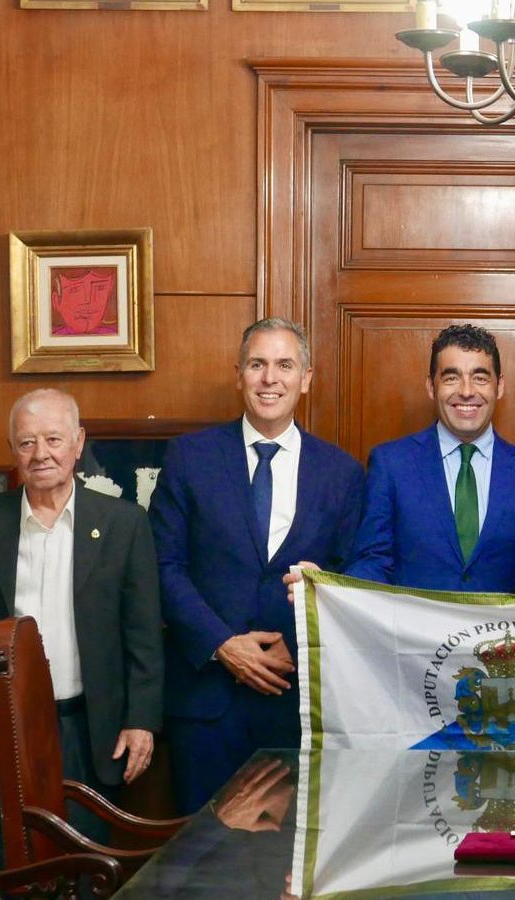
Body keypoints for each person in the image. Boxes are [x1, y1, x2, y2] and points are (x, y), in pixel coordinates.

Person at [0, 388, 162, 867]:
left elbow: (142, 635)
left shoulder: (124, 525)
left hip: (88, 730)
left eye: (53, 439)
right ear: (12, 449)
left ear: (78, 443)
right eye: (27, 442)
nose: (41, 454)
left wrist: (141, 720)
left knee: (87, 869)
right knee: (2, 867)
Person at [149, 317, 364, 814]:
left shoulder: (344, 474)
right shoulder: (190, 457)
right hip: (205, 704)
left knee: (286, 867)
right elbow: (163, 565)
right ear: (239, 374)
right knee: (203, 869)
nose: (271, 378)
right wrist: (222, 645)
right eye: (257, 364)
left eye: (285, 365)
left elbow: (354, 577)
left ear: (307, 378)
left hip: (297, 700)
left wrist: (305, 638)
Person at [345, 324, 515, 599]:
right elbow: (372, 561)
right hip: (414, 638)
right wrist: (327, 590)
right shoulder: (390, 465)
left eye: (480, 378)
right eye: (451, 377)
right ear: (431, 386)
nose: (466, 391)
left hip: (500, 640)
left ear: (499, 387)